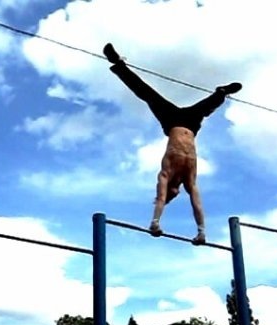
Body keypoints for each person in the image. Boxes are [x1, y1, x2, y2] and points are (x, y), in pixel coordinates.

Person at [103, 43, 242, 245]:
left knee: (148, 95)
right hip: (191, 124)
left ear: (169, 190)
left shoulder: (165, 175)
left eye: (173, 195)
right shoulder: (189, 180)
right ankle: (221, 93)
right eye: (176, 195)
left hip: (171, 120)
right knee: (204, 107)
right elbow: (197, 204)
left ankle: (118, 64)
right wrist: (202, 231)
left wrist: (155, 222)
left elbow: (160, 199)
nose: (177, 194)